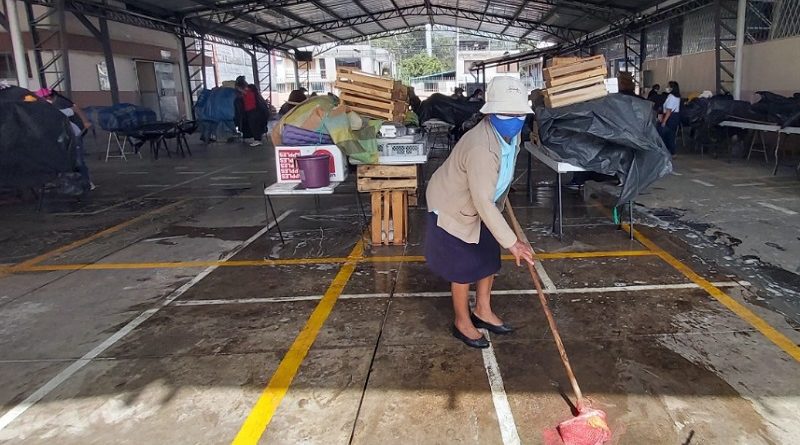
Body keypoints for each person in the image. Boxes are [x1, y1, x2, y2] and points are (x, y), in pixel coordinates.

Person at [425, 76, 535, 349]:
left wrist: (504, 237)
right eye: (506, 113)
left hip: (484, 202)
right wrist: (513, 243)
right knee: (462, 268)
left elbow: (492, 190)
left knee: (488, 258)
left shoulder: (512, 133)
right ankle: (462, 322)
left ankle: (482, 310)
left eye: (518, 114)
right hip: (453, 204)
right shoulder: (480, 146)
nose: (513, 118)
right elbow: (482, 201)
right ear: (490, 113)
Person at [36, 87, 95, 191]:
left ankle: (87, 182)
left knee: (78, 161)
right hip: (61, 139)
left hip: (73, 137)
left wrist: (85, 122)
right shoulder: (45, 110)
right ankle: (70, 183)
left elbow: (75, 108)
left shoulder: (57, 108)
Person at [234, 76, 270, 147]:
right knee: (254, 125)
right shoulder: (251, 91)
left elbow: (245, 95)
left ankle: (257, 140)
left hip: (253, 112)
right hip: (254, 111)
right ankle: (257, 139)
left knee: (254, 126)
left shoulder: (248, 92)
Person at [658, 81, 681, 156]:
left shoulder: (671, 97)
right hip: (674, 116)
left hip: (670, 117)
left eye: (668, 86)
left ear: (672, 88)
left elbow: (669, 110)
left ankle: (671, 151)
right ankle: (670, 151)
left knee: (668, 134)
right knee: (671, 134)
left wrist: (664, 121)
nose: (667, 87)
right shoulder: (677, 97)